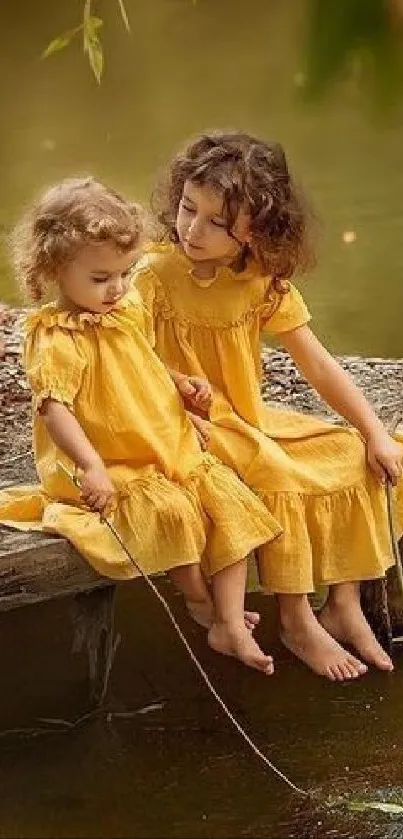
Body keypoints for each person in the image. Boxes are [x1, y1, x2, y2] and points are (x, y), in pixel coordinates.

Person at [133, 130, 403, 681]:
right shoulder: (153, 275)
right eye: (188, 209)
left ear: (257, 231)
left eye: (217, 223)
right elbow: (127, 355)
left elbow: (319, 364)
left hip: (244, 419)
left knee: (350, 453)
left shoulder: (261, 282)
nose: (192, 229)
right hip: (183, 423)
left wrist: (373, 429)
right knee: (278, 474)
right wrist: (175, 390)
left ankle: (344, 605)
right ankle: (297, 619)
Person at [0, 176, 284, 675]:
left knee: (229, 500)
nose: (117, 288)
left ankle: (231, 621)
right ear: (55, 270)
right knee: (173, 512)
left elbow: (142, 363)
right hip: (113, 459)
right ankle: (201, 604)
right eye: (101, 278)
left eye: (126, 273)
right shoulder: (54, 337)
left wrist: (180, 384)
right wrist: (90, 467)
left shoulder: (124, 311)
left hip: (163, 442)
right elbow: (56, 408)